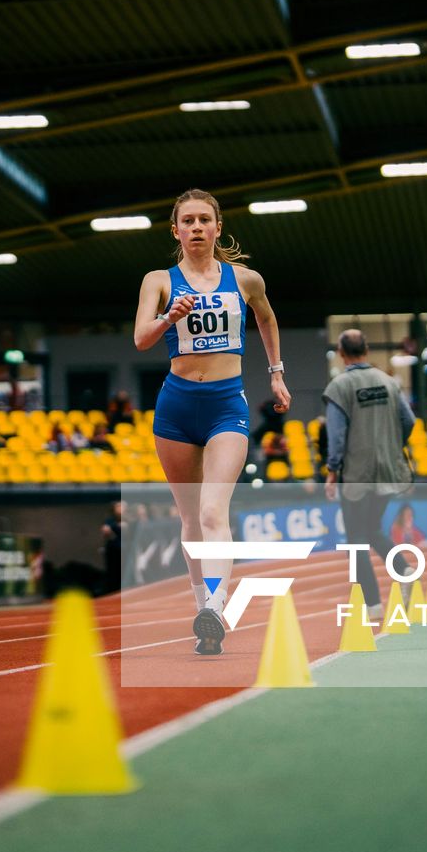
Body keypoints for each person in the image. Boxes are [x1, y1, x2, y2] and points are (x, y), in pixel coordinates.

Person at [133, 188, 289, 655]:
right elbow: (141, 339)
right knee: (189, 519)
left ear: (218, 228)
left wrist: (276, 374)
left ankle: (217, 608)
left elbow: (267, 319)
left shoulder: (245, 280)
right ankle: (202, 605)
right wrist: (168, 317)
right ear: (176, 230)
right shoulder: (158, 280)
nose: (197, 227)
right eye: (189, 221)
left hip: (226, 405)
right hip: (176, 408)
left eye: (205, 220)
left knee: (211, 512)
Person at [322, 329, 416, 612]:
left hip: (356, 475)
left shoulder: (339, 387)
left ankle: (373, 604)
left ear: (341, 353)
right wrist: (390, 446)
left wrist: (332, 471)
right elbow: (409, 420)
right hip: (387, 471)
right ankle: (404, 569)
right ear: (366, 350)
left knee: (355, 540)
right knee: (372, 528)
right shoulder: (389, 382)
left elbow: (336, 436)